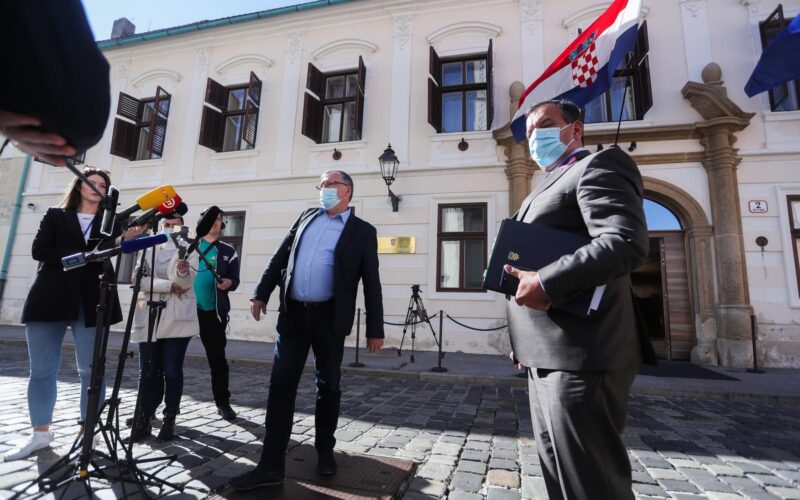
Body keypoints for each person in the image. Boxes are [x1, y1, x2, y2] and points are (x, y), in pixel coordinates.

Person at [503, 99, 654, 500]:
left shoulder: (598, 165)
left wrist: (546, 282)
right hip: (545, 352)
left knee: (591, 484)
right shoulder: (545, 185)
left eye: (544, 125)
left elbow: (623, 241)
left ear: (575, 129)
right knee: (560, 477)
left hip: (583, 353)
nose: (535, 138)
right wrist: (523, 340)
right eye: (529, 132)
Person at [230, 170, 384, 490]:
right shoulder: (306, 217)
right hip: (294, 315)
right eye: (321, 185)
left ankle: (325, 451)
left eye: (330, 184)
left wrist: (375, 328)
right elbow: (280, 257)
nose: (323, 189)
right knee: (280, 385)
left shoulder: (363, 231)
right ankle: (271, 465)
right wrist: (261, 292)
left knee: (329, 386)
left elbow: (372, 282)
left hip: (330, 318)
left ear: (347, 191)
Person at [4, 168, 143, 461]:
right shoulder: (55, 215)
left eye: (103, 185)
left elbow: (113, 254)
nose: (97, 187)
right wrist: (82, 256)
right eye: (91, 182)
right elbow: (40, 250)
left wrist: (123, 240)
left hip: (94, 298)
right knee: (42, 370)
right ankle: (40, 434)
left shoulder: (113, 222)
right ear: (79, 186)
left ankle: (88, 434)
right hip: (50, 296)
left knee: (91, 371)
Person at [128, 216, 199, 443]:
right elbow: (137, 280)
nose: (169, 228)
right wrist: (168, 286)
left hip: (177, 316)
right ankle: (143, 419)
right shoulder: (148, 246)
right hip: (148, 313)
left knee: (171, 370)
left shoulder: (189, 248)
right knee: (148, 370)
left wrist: (181, 273)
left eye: (174, 224)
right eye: (166, 224)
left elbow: (185, 284)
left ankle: (169, 420)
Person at [193, 207, 240, 421]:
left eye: (219, 219)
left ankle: (223, 403)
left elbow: (235, 280)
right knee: (170, 360)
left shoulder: (228, 251)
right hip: (184, 312)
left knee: (217, 360)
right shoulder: (190, 247)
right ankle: (158, 408)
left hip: (213, 313)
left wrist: (228, 282)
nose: (215, 222)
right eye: (210, 219)